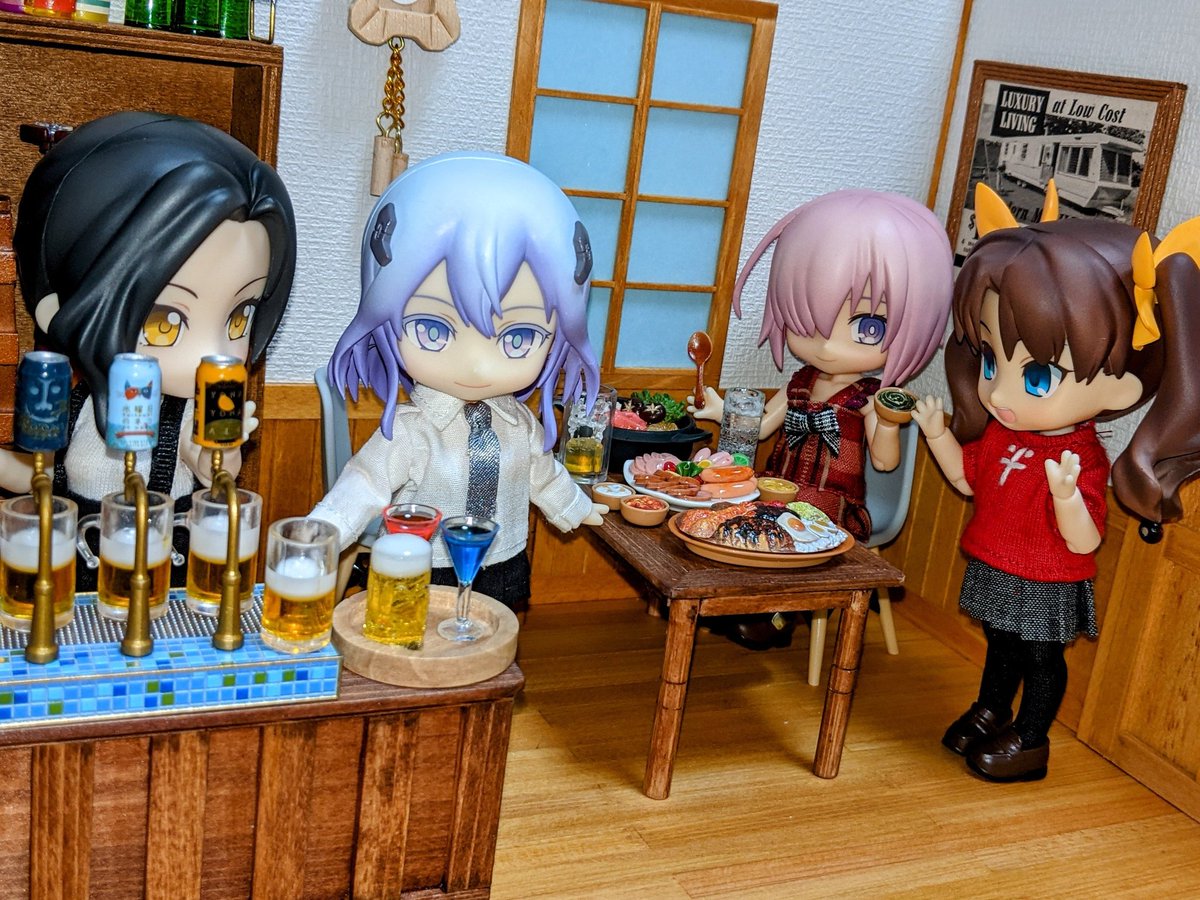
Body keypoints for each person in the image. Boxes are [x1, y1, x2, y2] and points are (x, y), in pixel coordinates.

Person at [911, 182, 1200, 782]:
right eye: (991, 361)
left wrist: (1068, 497)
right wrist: (937, 434)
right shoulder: (1001, 435)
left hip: (1046, 578)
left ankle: (1031, 736)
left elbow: (1087, 540)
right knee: (1000, 643)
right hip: (996, 560)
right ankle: (992, 709)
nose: (999, 393)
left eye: (1037, 377)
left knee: (1042, 657)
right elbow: (968, 481)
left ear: (1127, 379)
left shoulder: (1081, 459)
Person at [8, 111, 297, 585]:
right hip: (79, 580)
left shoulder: (185, 414)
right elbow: (39, 473)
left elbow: (209, 468)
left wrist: (219, 448)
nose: (213, 352)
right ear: (59, 307)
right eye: (166, 322)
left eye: (240, 317)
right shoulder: (71, 402)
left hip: (168, 579)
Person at [310, 151, 607, 612]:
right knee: (420, 642)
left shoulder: (518, 425)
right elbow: (365, 483)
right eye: (433, 329)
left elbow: (544, 475)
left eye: (518, 337)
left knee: (493, 640)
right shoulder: (410, 430)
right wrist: (325, 529)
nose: (476, 365)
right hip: (422, 564)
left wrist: (577, 508)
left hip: (503, 559)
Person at [691, 189, 953, 648]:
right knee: (740, 507)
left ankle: (778, 618)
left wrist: (887, 424)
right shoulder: (800, 382)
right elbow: (764, 425)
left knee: (794, 523)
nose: (829, 345)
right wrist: (722, 411)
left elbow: (885, 463)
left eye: (868, 327)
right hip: (781, 483)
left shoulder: (869, 397)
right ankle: (739, 599)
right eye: (811, 322)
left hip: (832, 499)